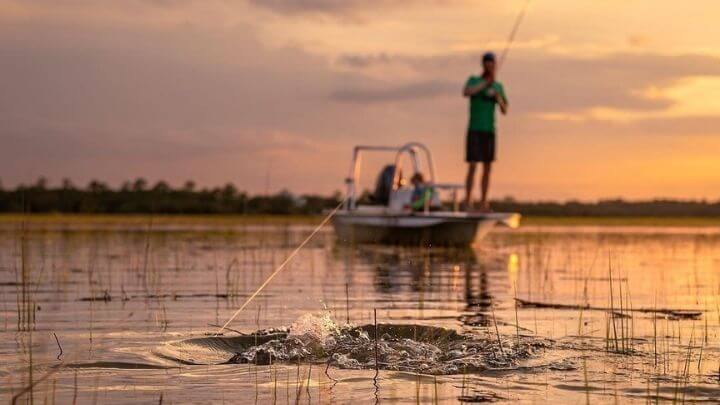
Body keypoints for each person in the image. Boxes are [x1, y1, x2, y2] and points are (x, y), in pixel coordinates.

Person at [462, 52, 508, 212]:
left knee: (487, 167)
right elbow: (466, 92)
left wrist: (498, 97)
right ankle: (468, 201)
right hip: (474, 128)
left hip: (489, 131)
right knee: (473, 165)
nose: (490, 66)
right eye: (487, 63)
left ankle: (483, 202)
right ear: (483, 65)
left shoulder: (498, 86)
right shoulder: (474, 80)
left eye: (492, 63)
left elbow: (504, 109)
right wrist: (485, 84)